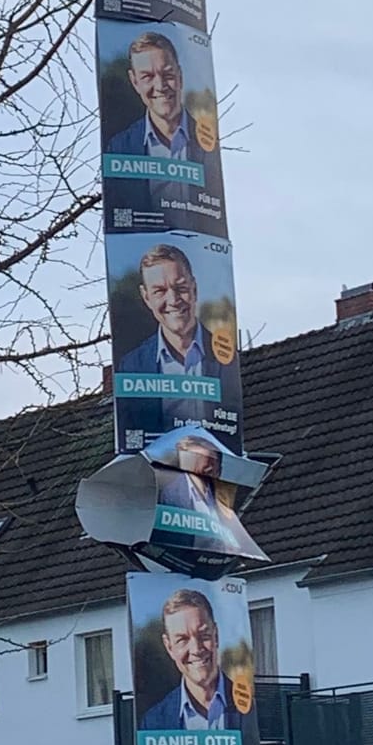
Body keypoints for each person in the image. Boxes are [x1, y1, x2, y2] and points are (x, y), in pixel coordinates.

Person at [136, 588, 251, 745]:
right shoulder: (153, 723)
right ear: (169, 647)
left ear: (216, 635)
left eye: (204, 635)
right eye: (182, 640)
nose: (196, 649)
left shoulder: (249, 708)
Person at [115, 243, 239, 439]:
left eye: (180, 287)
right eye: (159, 291)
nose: (173, 300)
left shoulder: (228, 361)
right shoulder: (131, 367)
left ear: (194, 289)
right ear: (146, 297)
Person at [104, 31, 224, 222]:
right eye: (147, 77)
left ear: (180, 76)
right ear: (134, 82)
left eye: (167, 74)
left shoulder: (209, 146)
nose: (160, 85)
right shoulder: (120, 148)